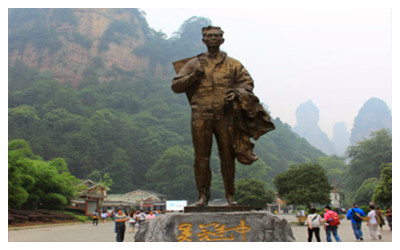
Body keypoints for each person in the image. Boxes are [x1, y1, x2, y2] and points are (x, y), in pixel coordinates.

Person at [172, 25, 274, 206]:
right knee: (201, 156)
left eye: (216, 36)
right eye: (208, 36)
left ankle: (230, 195)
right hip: (200, 114)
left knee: (227, 156)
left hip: (225, 115)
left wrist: (236, 93)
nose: (212, 39)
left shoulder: (233, 64)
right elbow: (176, 86)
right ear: (203, 40)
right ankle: (203, 196)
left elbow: (247, 83)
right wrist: (194, 76)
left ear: (222, 40)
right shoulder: (193, 64)